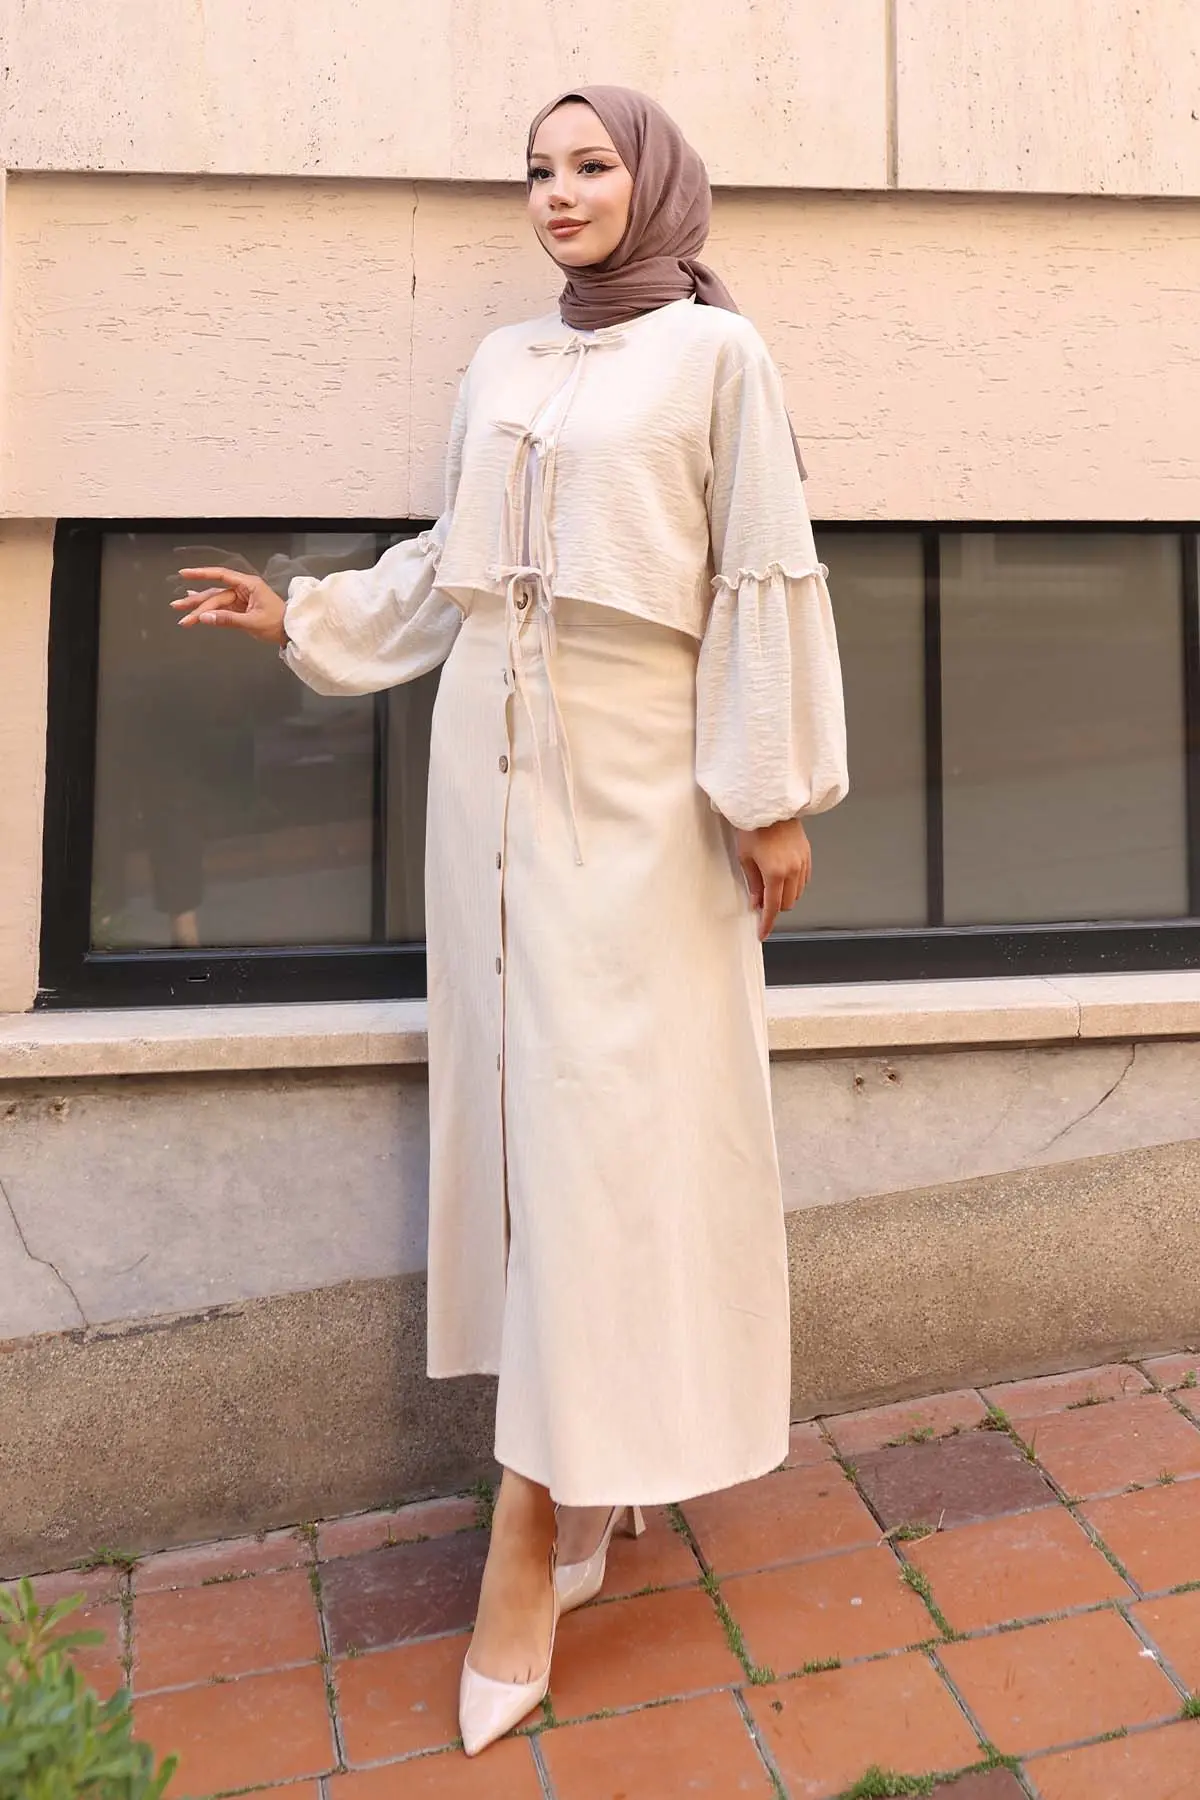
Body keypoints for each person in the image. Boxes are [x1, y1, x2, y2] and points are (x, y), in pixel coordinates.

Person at [173, 84, 848, 1757]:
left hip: (638, 788)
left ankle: (532, 1533)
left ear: (656, 180)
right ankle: (579, 1484)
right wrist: (307, 616)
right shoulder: (499, 361)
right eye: (538, 171)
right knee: (525, 1133)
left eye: (591, 165)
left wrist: (764, 791)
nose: (558, 194)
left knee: (607, 1140)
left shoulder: (717, 358)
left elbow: (761, 562)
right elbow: (461, 563)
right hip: (485, 776)